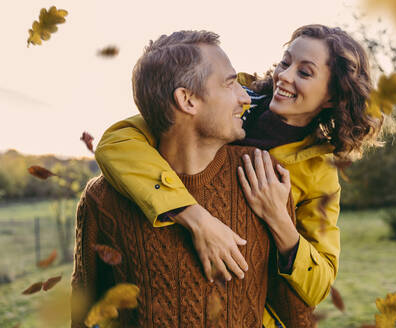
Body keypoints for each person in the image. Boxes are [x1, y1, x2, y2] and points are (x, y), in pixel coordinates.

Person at [95, 24, 382, 327]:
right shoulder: (232, 98)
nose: (284, 76)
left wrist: (279, 220)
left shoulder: (318, 173)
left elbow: (319, 283)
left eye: (305, 72)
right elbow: (117, 142)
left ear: (332, 96)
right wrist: (194, 216)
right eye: (286, 62)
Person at [71, 30, 314, 328]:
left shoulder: (262, 177)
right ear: (187, 100)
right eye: (229, 84)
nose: (244, 97)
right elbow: (86, 315)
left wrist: (283, 227)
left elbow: (295, 316)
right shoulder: (104, 198)